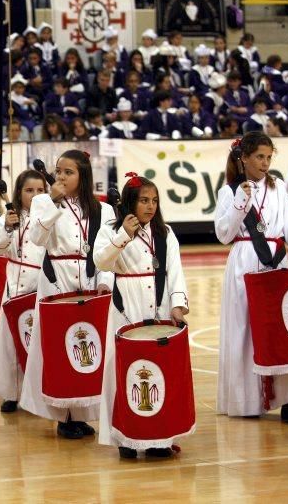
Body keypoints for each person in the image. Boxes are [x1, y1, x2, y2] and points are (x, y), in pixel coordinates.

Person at [19, 150, 115, 440]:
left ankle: (82, 412)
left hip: (90, 277)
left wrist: (106, 279)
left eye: (68, 172)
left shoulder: (103, 210)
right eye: (58, 171)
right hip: (57, 280)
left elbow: (108, 249)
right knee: (59, 348)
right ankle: (62, 415)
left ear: (82, 176)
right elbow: (36, 238)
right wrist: (53, 201)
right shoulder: (42, 202)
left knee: (88, 348)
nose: (60, 176)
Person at [94, 173, 190, 459]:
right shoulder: (111, 229)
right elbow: (101, 262)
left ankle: (159, 437)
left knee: (160, 370)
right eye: (144, 200)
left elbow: (175, 269)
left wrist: (177, 305)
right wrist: (124, 235)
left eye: (154, 201)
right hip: (126, 305)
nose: (150, 206)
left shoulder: (165, 233)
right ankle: (127, 436)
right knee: (126, 370)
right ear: (129, 203)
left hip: (159, 304)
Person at [214, 132, 288, 422]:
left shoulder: (281, 192)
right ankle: (247, 401)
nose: (265, 163)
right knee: (244, 331)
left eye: (268, 157)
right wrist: (240, 202)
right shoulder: (229, 191)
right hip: (243, 262)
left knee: (283, 331)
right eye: (259, 157)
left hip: (277, 262)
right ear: (244, 158)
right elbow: (224, 234)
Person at [0, 170, 49, 413]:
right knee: (11, 342)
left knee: (37, 343)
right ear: (19, 192)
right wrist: (6, 227)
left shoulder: (50, 218)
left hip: (41, 283)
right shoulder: (10, 216)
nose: (34, 195)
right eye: (29, 190)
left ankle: (39, 393)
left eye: (39, 191)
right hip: (15, 283)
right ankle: (12, 393)